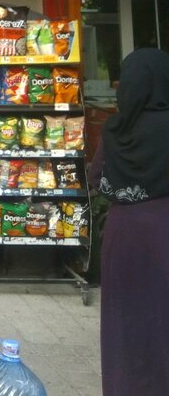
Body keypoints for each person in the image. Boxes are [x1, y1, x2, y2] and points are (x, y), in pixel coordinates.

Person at [87, 48, 169, 396]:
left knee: (125, 321)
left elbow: (97, 179)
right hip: (163, 229)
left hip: (122, 235)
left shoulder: (116, 129)